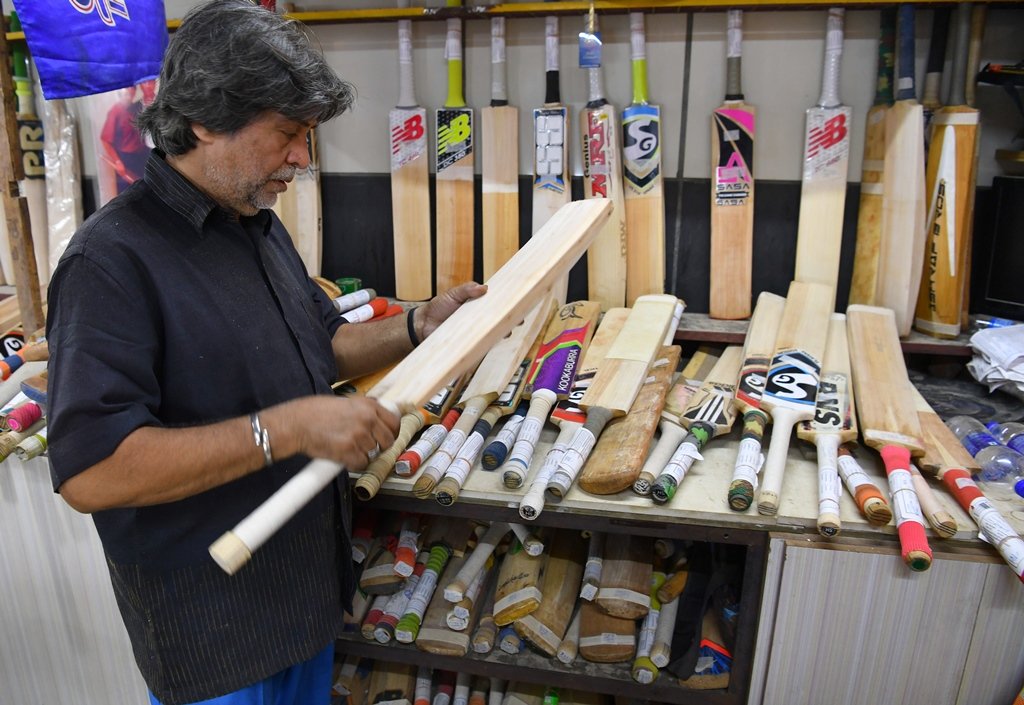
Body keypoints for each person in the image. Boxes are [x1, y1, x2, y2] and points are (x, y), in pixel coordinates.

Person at [45, 2, 485, 704]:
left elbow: (321, 345)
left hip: (300, 607)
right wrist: (286, 429)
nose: (302, 159)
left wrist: (419, 326)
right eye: (288, 134)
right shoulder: (110, 262)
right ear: (205, 119)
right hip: (215, 643)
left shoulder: (253, 222)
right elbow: (92, 471)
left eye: (307, 136)